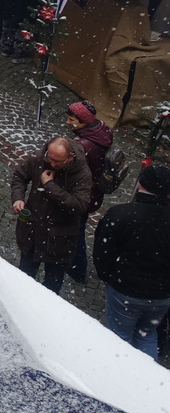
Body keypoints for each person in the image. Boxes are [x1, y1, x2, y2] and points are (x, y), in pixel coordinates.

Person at [92, 163, 170, 357]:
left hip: (125, 290)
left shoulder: (120, 214)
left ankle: (119, 378)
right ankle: (147, 377)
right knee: (147, 335)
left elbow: (102, 254)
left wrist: (109, 277)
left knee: (120, 337)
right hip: (161, 295)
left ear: (141, 184)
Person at [10, 137, 93, 295]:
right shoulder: (38, 158)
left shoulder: (82, 174)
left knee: (51, 289)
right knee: (22, 280)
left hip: (59, 240)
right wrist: (18, 198)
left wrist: (49, 185)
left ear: (71, 157)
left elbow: (79, 206)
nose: (52, 164)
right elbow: (19, 177)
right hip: (31, 233)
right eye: (50, 158)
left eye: (58, 162)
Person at [66, 100, 114, 284]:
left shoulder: (84, 146)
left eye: (71, 119)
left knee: (76, 230)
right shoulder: (101, 130)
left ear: (84, 121)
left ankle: (77, 267)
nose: (68, 123)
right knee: (78, 227)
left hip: (83, 194)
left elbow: (75, 172)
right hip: (92, 194)